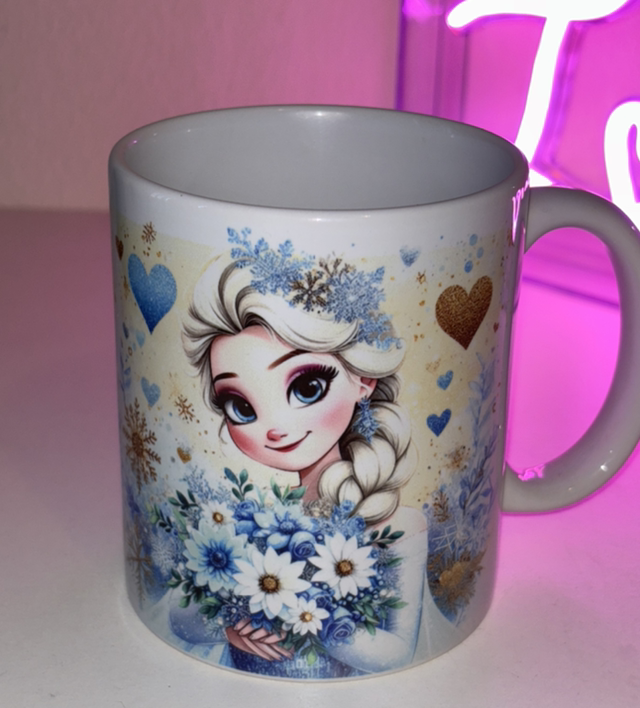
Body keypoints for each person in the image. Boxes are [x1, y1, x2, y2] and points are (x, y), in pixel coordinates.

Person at [177, 230, 428, 676]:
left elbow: (397, 653)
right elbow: (180, 618)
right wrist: (228, 626)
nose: (274, 427)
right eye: (240, 406)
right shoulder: (254, 520)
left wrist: (305, 614)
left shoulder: (398, 525)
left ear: (363, 379)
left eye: (307, 387)